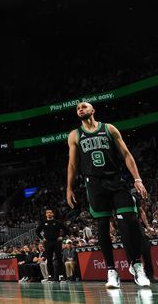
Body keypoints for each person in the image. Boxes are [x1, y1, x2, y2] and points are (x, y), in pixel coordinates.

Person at [66, 101, 151, 288]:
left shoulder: (109, 128)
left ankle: (136, 265)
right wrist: (69, 188)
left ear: (92, 110)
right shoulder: (74, 135)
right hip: (94, 185)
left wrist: (137, 179)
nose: (80, 109)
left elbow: (127, 154)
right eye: (77, 108)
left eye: (84, 106)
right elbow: (72, 165)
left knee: (128, 220)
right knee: (102, 226)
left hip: (116, 180)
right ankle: (111, 271)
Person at [35, 208, 69, 282]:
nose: (49, 214)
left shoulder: (57, 222)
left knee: (59, 259)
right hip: (48, 243)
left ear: (53, 214)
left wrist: (62, 236)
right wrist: (42, 238)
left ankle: (61, 276)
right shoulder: (44, 223)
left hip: (57, 242)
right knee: (49, 260)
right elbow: (37, 231)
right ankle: (50, 276)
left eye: (50, 212)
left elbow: (66, 229)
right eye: (47, 213)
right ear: (46, 214)